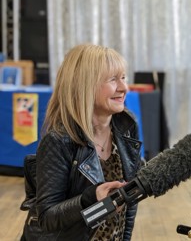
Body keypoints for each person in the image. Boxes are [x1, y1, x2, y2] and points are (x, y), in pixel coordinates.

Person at [20, 44, 143, 240]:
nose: (123, 88)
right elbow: (47, 218)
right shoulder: (59, 141)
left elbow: (128, 205)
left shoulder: (127, 127)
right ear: (85, 85)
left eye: (123, 77)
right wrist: (90, 198)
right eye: (113, 79)